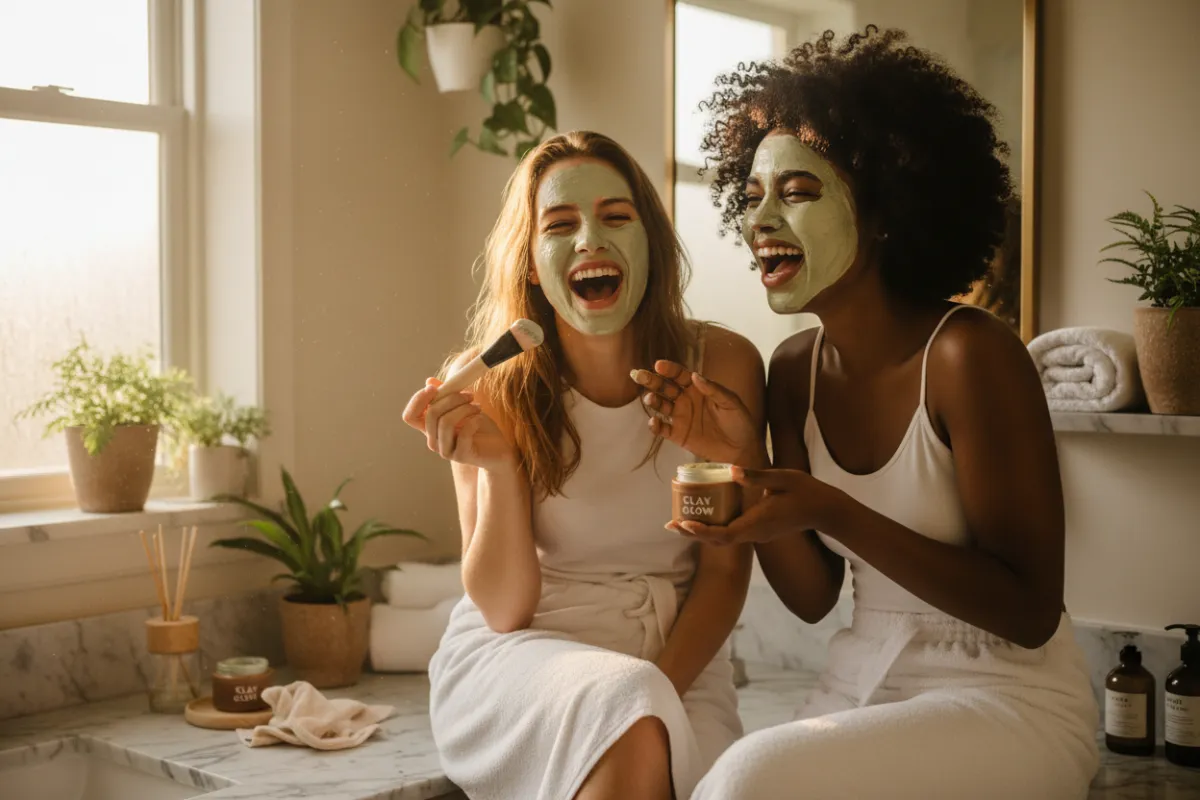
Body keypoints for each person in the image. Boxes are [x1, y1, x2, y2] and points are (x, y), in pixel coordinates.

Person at [635, 28, 1099, 799]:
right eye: (751, 197)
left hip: (1009, 697)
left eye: (798, 191)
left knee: (747, 780)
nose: (759, 221)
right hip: (864, 677)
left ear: (887, 209)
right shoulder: (792, 372)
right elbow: (815, 598)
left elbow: (1028, 610)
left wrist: (835, 511)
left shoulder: (969, 356)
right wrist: (747, 462)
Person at [401, 131, 764, 800]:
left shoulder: (724, 367)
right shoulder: (484, 384)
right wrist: (504, 467)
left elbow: (723, 574)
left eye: (616, 217)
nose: (590, 239)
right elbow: (505, 610)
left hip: (677, 657)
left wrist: (657, 694)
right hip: (519, 660)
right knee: (629, 713)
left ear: (648, 243)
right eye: (560, 224)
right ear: (534, 264)